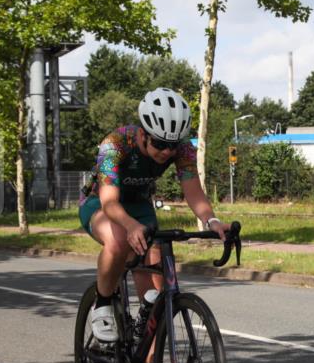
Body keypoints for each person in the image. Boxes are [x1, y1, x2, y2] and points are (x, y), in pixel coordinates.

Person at [78, 87, 227, 343]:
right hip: (101, 203)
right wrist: (130, 225)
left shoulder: (182, 149)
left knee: (156, 294)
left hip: (140, 204)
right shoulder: (114, 144)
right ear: (142, 133)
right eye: (159, 144)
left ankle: (147, 362)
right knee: (118, 241)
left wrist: (211, 220)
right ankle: (102, 304)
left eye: (172, 145)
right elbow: (110, 202)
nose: (167, 152)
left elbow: (193, 191)